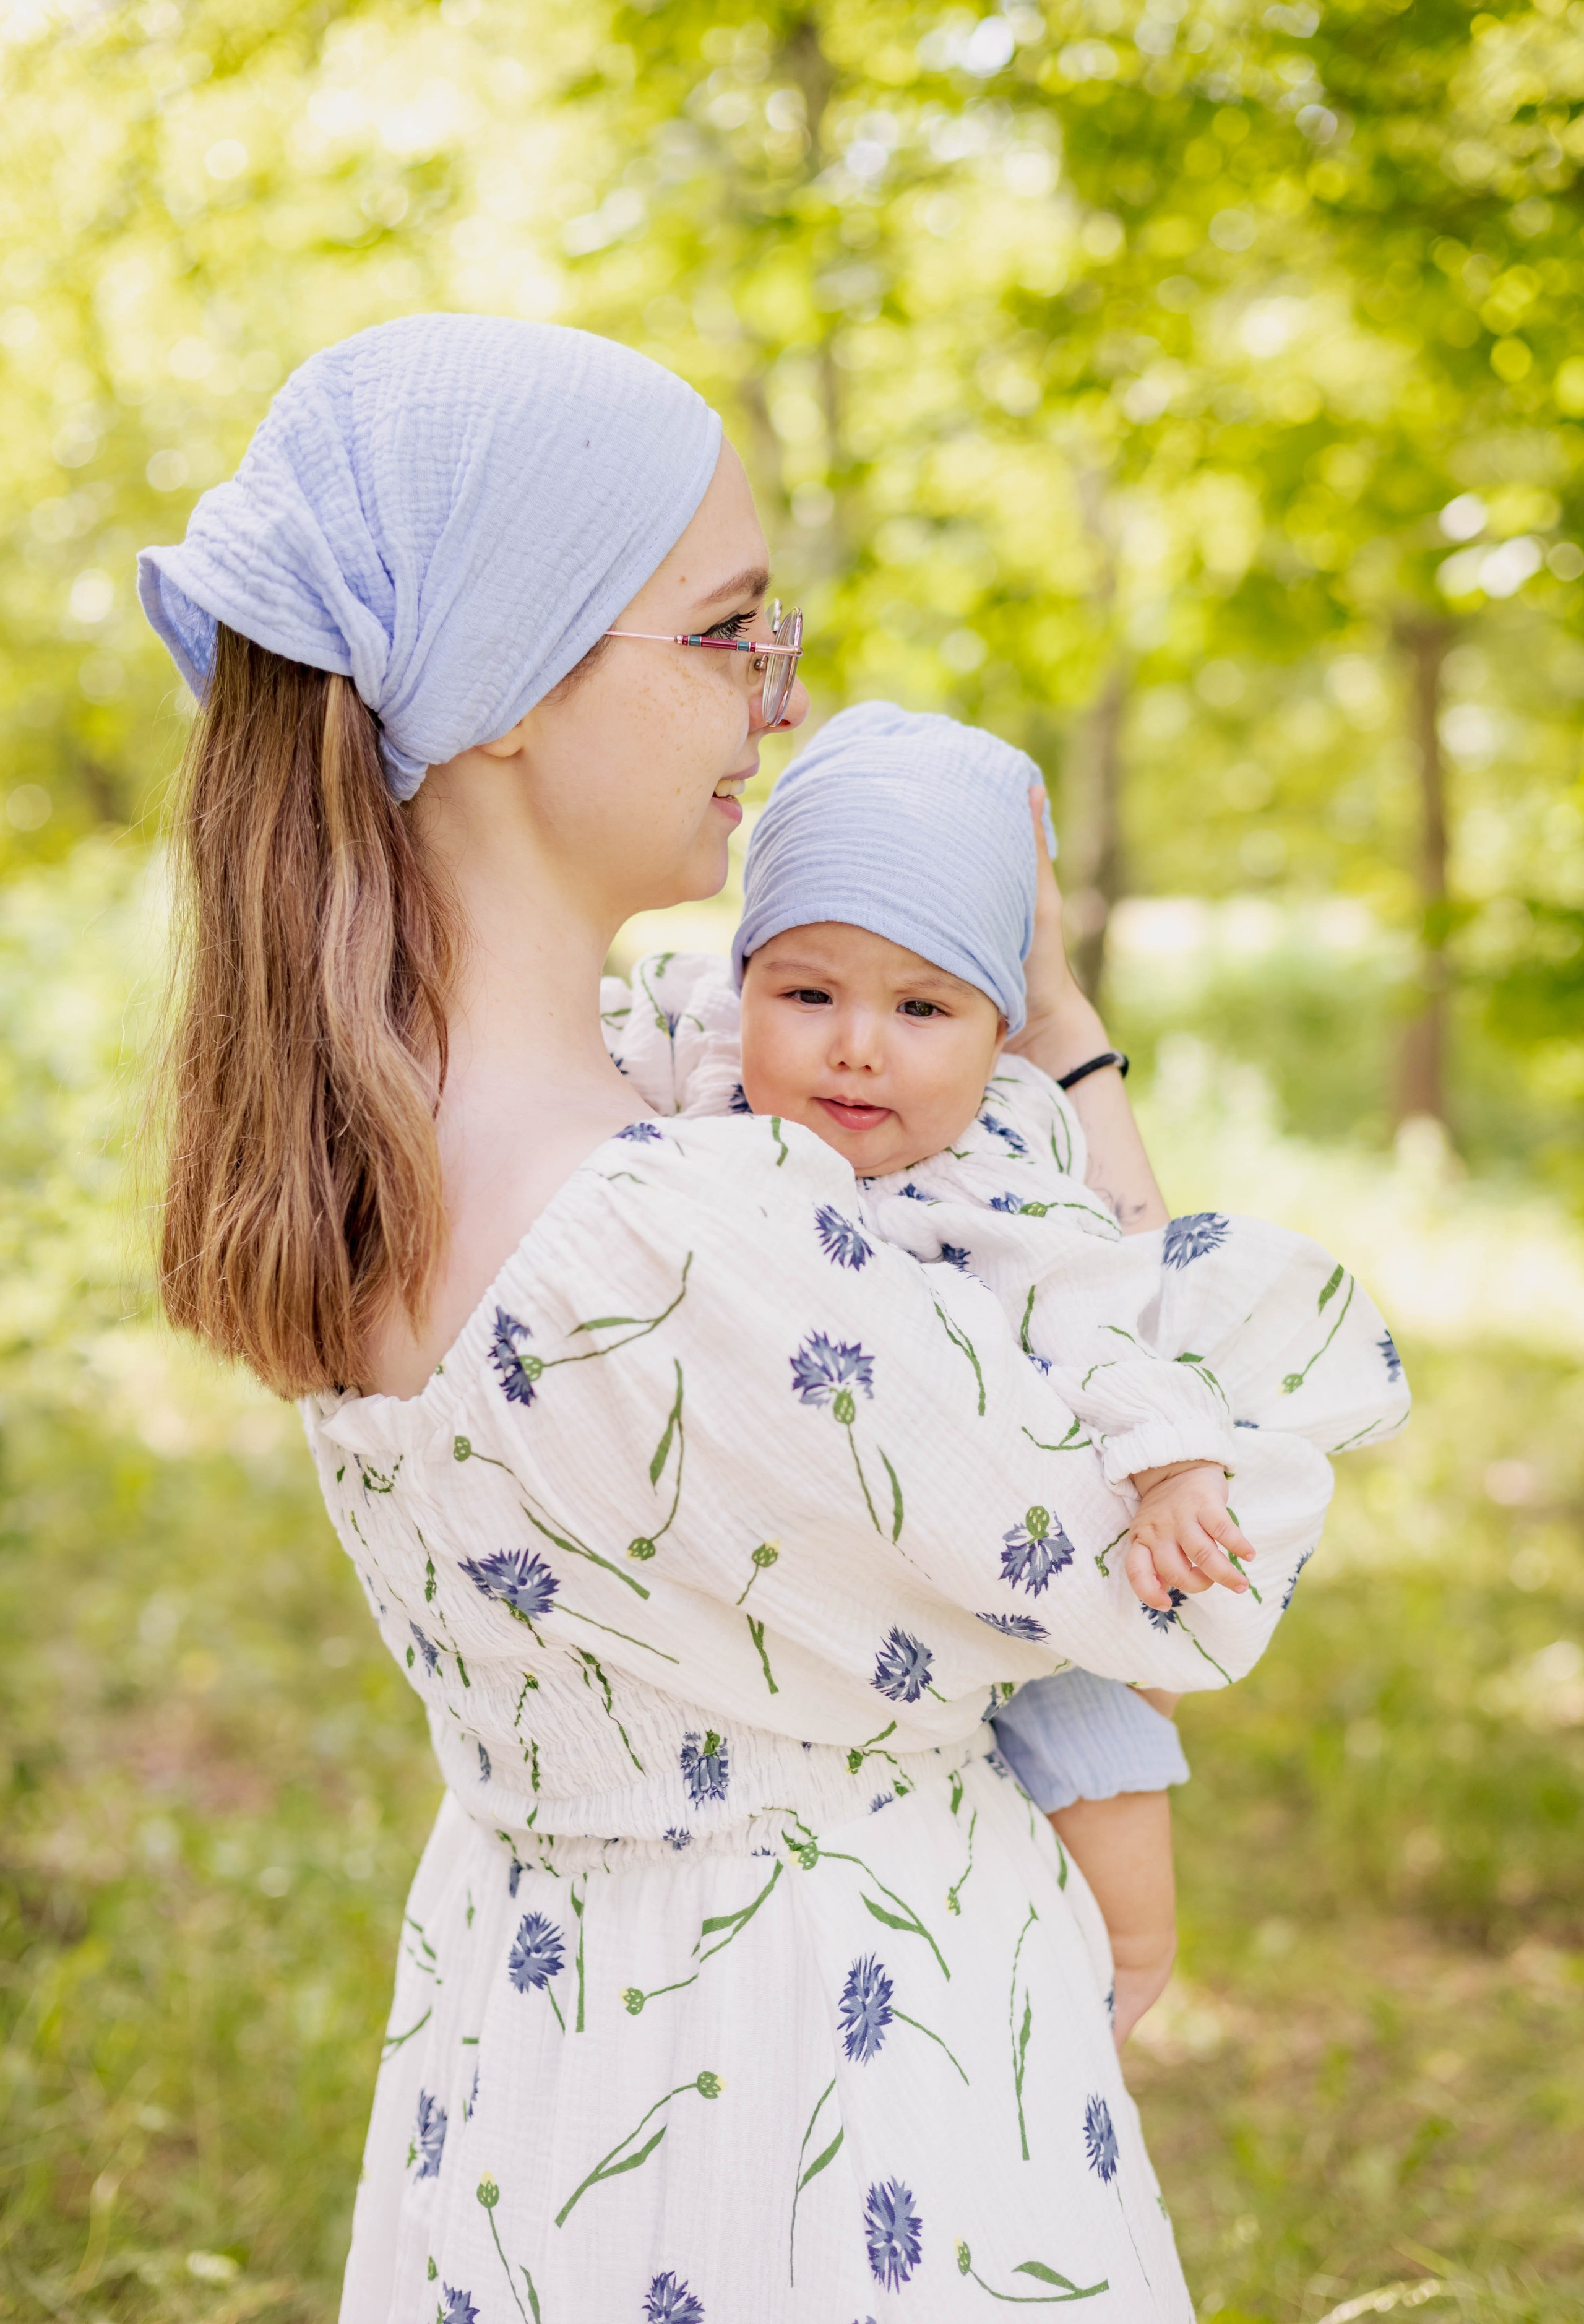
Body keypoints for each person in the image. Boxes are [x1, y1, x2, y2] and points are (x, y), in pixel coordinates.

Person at [139, 313, 1350, 2322]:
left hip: (540, 2082)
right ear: (515, 681)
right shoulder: (683, 1241)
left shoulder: (405, 1154)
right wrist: (1058, 1036)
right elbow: (1189, 1576)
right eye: (724, 636)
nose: (771, 707)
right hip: (837, 2093)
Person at [598, 701, 1408, 2057]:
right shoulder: (696, 1065)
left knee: (1099, 1753)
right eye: (805, 993)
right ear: (741, 980)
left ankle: (1129, 1971)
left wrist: (1168, 1471)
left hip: (1013, 1519)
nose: (856, 1045)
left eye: (920, 1008)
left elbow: (1099, 1321)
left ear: (993, 1034)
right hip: (795, 1579)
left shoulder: (995, 1169)